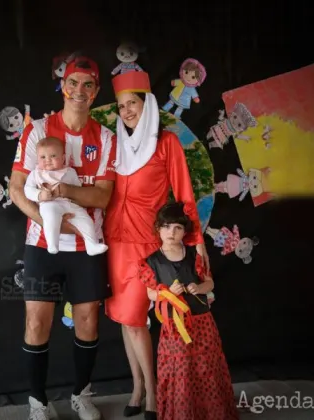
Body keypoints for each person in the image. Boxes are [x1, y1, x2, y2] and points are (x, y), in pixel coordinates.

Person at [9, 56, 116, 420]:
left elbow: (102, 196)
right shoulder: (37, 130)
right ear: (63, 86)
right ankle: (38, 402)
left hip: (88, 245)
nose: (79, 91)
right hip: (43, 243)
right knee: (36, 323)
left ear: (97, 91)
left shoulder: (105, 137)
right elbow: (16, 189)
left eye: (88, 84)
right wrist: (49, 221)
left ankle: (81, 394)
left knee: (88, 321)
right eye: (73, 83)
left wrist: (63, 192)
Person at [103, 70, 211, 419]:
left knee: (138, 317)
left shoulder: (167, 143)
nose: (126, 111)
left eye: (132, 103)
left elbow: (184, 194)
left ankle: (153, 394)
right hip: (115, 242)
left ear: (146, 103)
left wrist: (196, 240)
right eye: (121, 106)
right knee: (125, 318)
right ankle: (138, 386)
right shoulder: (115, 145)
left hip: (146, 245)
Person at [139, 202, 238, 420]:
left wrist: (199, 287)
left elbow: (210, 283)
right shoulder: (153, 261)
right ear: (158, 228)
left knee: (206, 367)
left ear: (185, 231)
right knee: (181, 369)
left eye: (177, 228)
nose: (171, 233)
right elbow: (150, 294)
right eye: (166, 227)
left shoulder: (194, 255)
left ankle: (211, 413)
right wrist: (167, 292)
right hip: (176, 325)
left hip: (202, 321)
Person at [24, 136, 109, 256]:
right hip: (49, 204)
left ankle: (91, 245)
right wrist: (39, 195)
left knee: (86, 220)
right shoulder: (36, 174)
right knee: (50, 217)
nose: (48, 160)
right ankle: (52, 243)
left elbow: (77, 188)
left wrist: (75, 200)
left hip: (69, 204)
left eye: (53, 156)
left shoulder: (70, 172)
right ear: (37, 159)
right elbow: (27, 189)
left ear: (63, 158)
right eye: (43, 157)